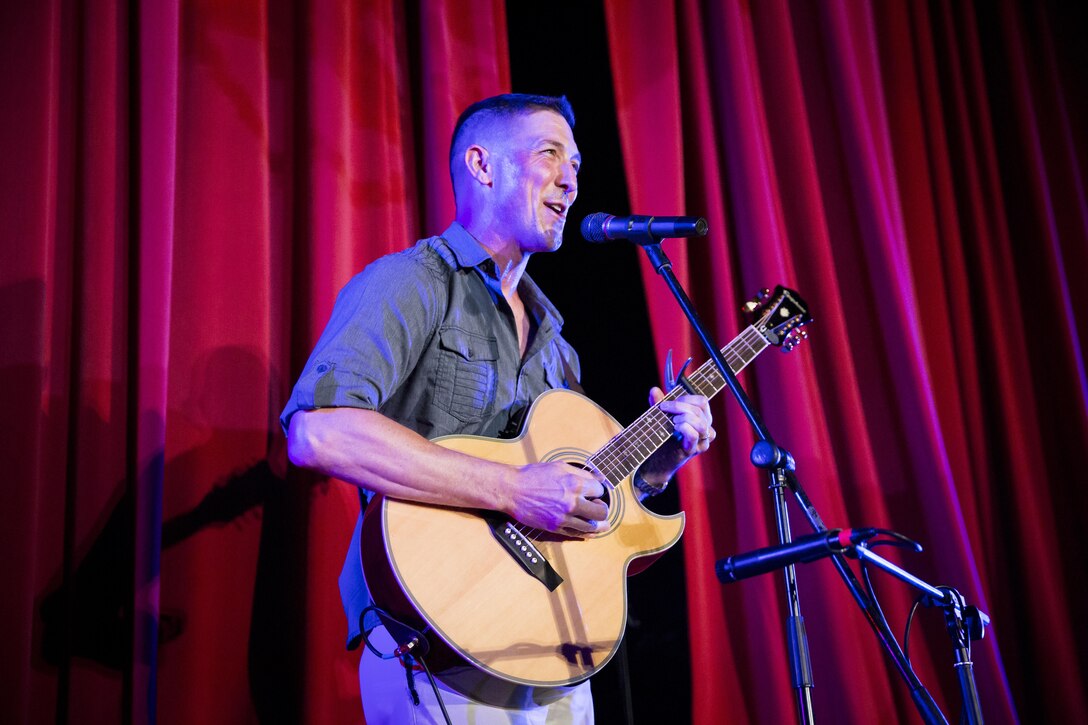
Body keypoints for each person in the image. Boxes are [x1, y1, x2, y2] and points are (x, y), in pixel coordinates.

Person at [281, 93, 715, 723]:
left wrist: (658, 466)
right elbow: (319, 433)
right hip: (436, 640)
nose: (571, 178)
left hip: (551, 647)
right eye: (549, 154)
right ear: (483, 167)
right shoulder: (413, 282)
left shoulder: (556, 345)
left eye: (577, 162)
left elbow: (578, 505)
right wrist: (510, 488)